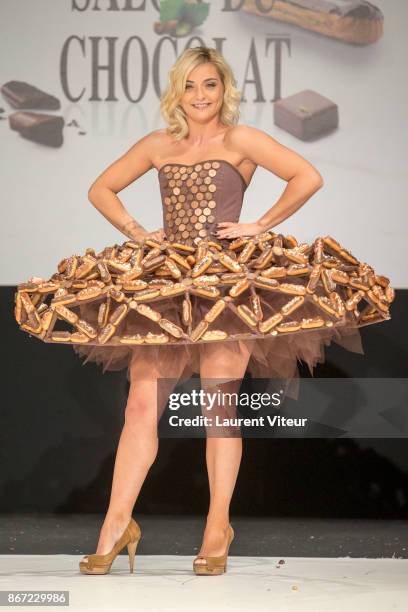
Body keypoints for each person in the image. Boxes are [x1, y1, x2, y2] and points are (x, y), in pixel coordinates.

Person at [20, 46, 391, 575]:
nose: (200, 95)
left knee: (218, 411)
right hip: (168, 288)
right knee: (141, 409)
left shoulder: (240, 139)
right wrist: (136, 234)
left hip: (224, 291)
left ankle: (217, 529)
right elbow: (100, 188)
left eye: (210, 85)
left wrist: (259, 226)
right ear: (179, 91)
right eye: (191, 85)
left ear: (224, 91)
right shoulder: (158, 144)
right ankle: (115, 525)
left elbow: (307, 176)